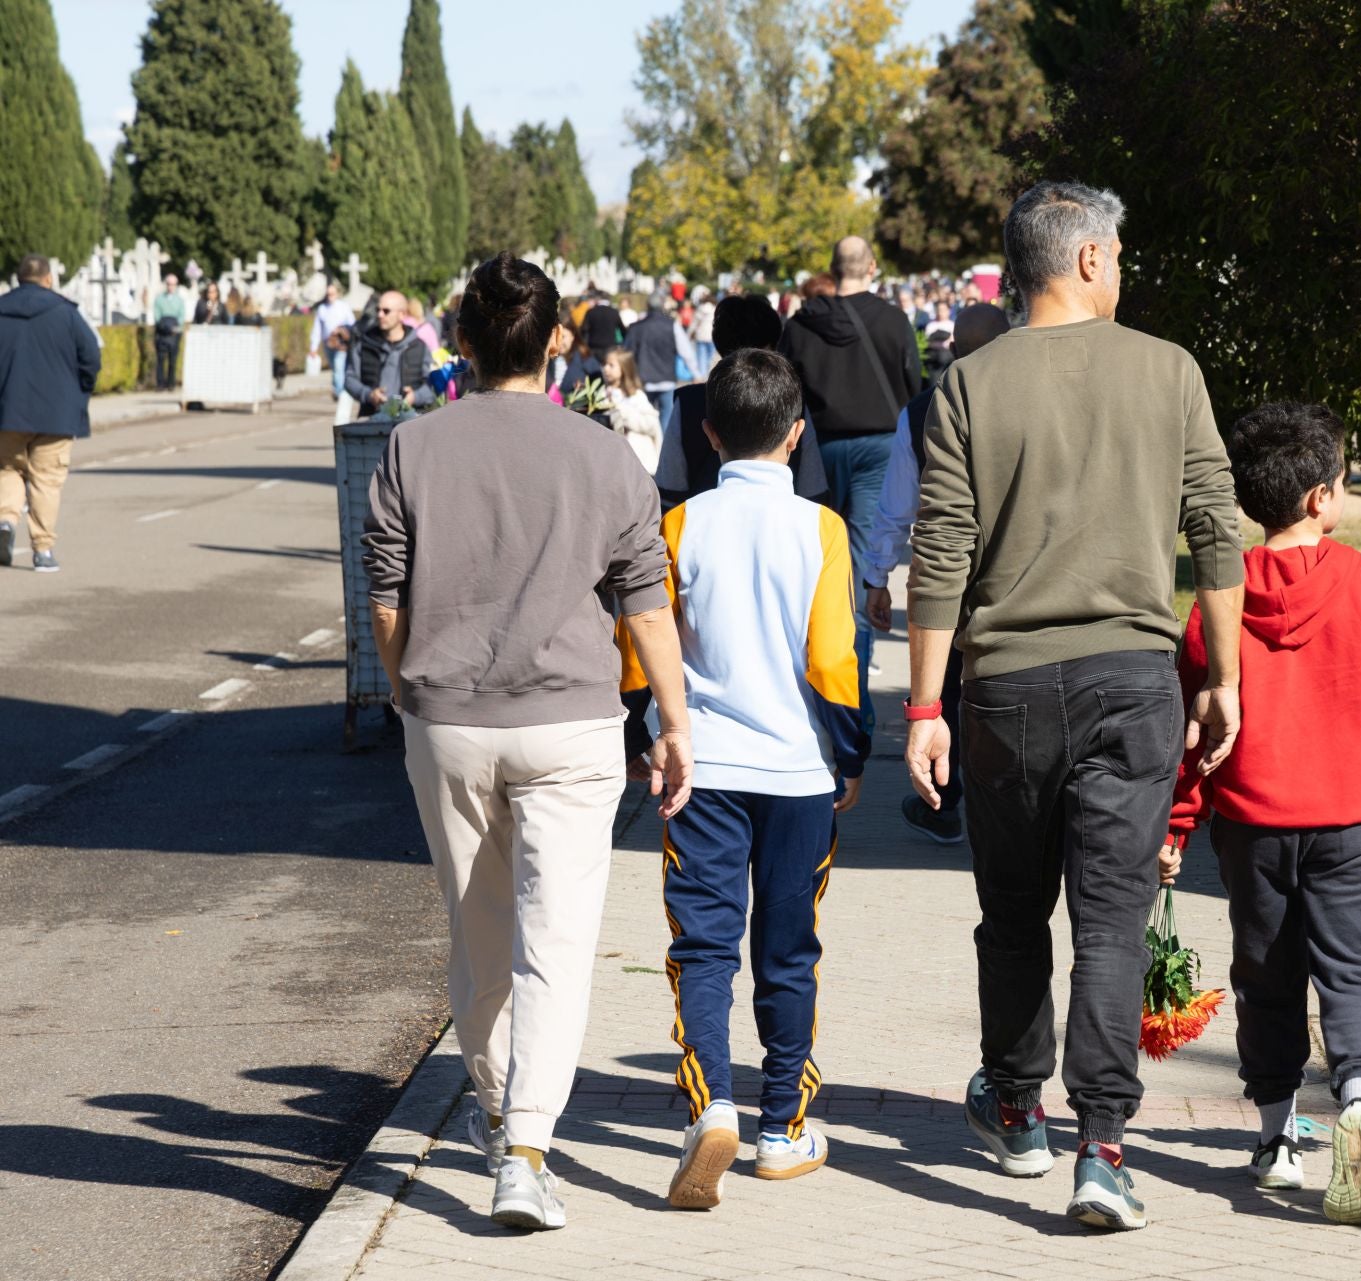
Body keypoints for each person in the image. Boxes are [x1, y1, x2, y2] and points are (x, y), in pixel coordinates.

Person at [905, 181, 1245, 1232]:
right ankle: (1104, 1147)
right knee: (1109, 924)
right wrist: (1222, 675)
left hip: (1003, 690)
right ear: (1091, 259)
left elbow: (941, 551)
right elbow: (1217, 532)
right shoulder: (1169, 371)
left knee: (1013, 918)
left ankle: (1016, 1109)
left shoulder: (970, 381)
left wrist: (925, 708)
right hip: (1134, 682)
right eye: (1121, 255)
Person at [363, 251, 693, 1233]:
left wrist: (407, 693)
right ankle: (528, 1152)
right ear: (557, 341)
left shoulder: (411, 449)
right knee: (556, 938)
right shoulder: (604, 456)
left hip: (451, 718)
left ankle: (499, 1108)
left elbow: (384, 597)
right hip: (574, 720)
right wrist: (674, 719)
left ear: (461, 338)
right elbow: (646, 605)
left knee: (478, 936)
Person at [1159, 401, 1361, 1225]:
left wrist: (1178, 822)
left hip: (1252, 822)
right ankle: (1358, 1101)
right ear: (1323, 497)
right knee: (1360, 968)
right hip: (1357, 822)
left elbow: (1194, 727)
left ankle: (1275, 1136)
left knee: (1267, 974)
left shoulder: (1216, 603)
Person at [624, 348, 868, 1210]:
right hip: (797, 768)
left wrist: (644, 732)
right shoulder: (823, 528)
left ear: (708, 429)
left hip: (704, 767)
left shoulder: (680, 525)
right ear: (798, 434)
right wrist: (852, 751)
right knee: (787, 950)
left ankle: (711, 1105)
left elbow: (642, 643)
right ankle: (781, 1128)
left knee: (702, 944)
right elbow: (835, 658)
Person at [864, 302, 1010, 844]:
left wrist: (877, 576)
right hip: (1016, 574)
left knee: (945, 690)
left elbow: (895, 506)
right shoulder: (1034, 401)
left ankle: (944, 800)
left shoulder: (924, 411)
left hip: (947, 580)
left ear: (951, 350)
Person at [779, 236, 924, 728]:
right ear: (873, 266)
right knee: (862, 571)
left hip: (816, 447)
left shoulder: (800, 326)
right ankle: (851, 705)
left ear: (832, 268)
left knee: (814, 569)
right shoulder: (891, 320)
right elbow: (911, 384)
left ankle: (817, 692)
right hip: (878, 448)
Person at [654, 294, 829, 510]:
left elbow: (670, 485)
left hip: (703, 523)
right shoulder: (794, 400)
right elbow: (812, 487)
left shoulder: (690, 401)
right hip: (782, 522)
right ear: (770, 346)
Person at [0, 254, 101, 573]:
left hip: (7, 410)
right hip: (56, 412)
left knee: (7, 470)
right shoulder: (66, 314)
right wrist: (79, 392)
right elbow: (91, 359)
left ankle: (5, 520)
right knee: (46, 480)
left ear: (18, 279)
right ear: (48, 279)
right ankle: (42, 550)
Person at [344, 290, 437, 418]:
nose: (380, 315)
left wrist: (415, 397)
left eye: (386, 311)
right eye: (378, 310)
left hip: (411, 420)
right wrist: (369, 394)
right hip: (372, 420)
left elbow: (434, 385)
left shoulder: (420, 346)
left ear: (402, 314)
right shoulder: (363, 344)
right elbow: (349, 380)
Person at [600, 349, 662, 472]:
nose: (605, 369)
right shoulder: (602, 394)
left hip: (639, 462)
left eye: (611, 365)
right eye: (605, 364)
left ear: (624, 368)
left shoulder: (637, 396)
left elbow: (651, 425)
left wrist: (622, 413)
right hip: (612, 461)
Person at [621, 292, 680, 421]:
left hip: (643, 379)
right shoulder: (672, 325)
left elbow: (626, 354)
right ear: (662, 305)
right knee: (666, 415)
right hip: (666, 379)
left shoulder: (635, 328)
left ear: (647, 305)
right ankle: (663, 440)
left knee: (646, 416)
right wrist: (697, 374)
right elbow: (686, 351)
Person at [309, 282, 357, 397]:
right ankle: (341, 388)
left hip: (341, 343)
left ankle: (339, 392)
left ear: (337, 294)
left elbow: (352, 324)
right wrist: (313, 347)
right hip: (328, 343)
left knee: (338, 366)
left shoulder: (343, 307)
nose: (330, 296)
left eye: (332, 294)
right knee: (335, 368)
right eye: (328, 294)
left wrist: (341, 330)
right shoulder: (322, 309)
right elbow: (317, 329)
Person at [152, 273, 187, 391]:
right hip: (162, 332)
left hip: (174, 333)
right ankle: (160, 384)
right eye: (168, 284)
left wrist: (175, 329)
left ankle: (171, 383)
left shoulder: (179, 300)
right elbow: (157, 315)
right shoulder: (159, 299)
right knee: (161, 359)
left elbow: (182, 316)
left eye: (173, 284)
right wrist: (164, 327)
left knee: (173, 360)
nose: (170, 286)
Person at [579, 294, 622, 364]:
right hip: (610, 346)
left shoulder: (591, 312)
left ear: (597, 300)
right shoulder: (614, 312)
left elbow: (584, 329)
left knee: (594, 370)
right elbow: (622, 329)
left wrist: (584, 343)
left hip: (593, 347)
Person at [691, 294, 716, 377]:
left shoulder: (700, 309)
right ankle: (709, 372)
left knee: (701, 356)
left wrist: (690, 333)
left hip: (700, 334)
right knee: (710, 356)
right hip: (711, 335)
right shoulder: (714, 309)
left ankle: (702, 374)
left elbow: (694, 323)